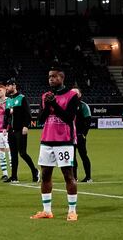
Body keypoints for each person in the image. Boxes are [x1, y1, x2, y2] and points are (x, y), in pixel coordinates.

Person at [30, 68, 80, 222]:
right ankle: (47, 211)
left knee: (68, 175)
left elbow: (68, 117)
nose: (51, 79)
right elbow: (40, 119)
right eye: (49, 76)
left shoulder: (72, 95)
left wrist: (55, 105)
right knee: (45, 175)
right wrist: (48, 105)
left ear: (62, 77)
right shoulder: (45, 96)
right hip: (46, 140)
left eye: (54, 76)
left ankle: (72, 211)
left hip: (64, 141)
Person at [4, 79, 39, 183]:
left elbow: (28, 113)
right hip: (11, 130)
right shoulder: (8, 100)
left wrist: (26, 126)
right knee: (13, 154)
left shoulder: (22, 98)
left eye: (8, 86)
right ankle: (14, 177)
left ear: (14, 86)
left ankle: (35, 171)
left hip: (20, 129)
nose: (7, 88)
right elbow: (7, 115)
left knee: (23, 153)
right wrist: (6, 126)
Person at [73, 100, 92, 183]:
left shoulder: (83, 106)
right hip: (70, 136)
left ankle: (88, 177)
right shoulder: (68, 104)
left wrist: (84, 134)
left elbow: (88, 120)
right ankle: (74, 177)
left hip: (80, 135)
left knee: (83, 156)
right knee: (72, 158)